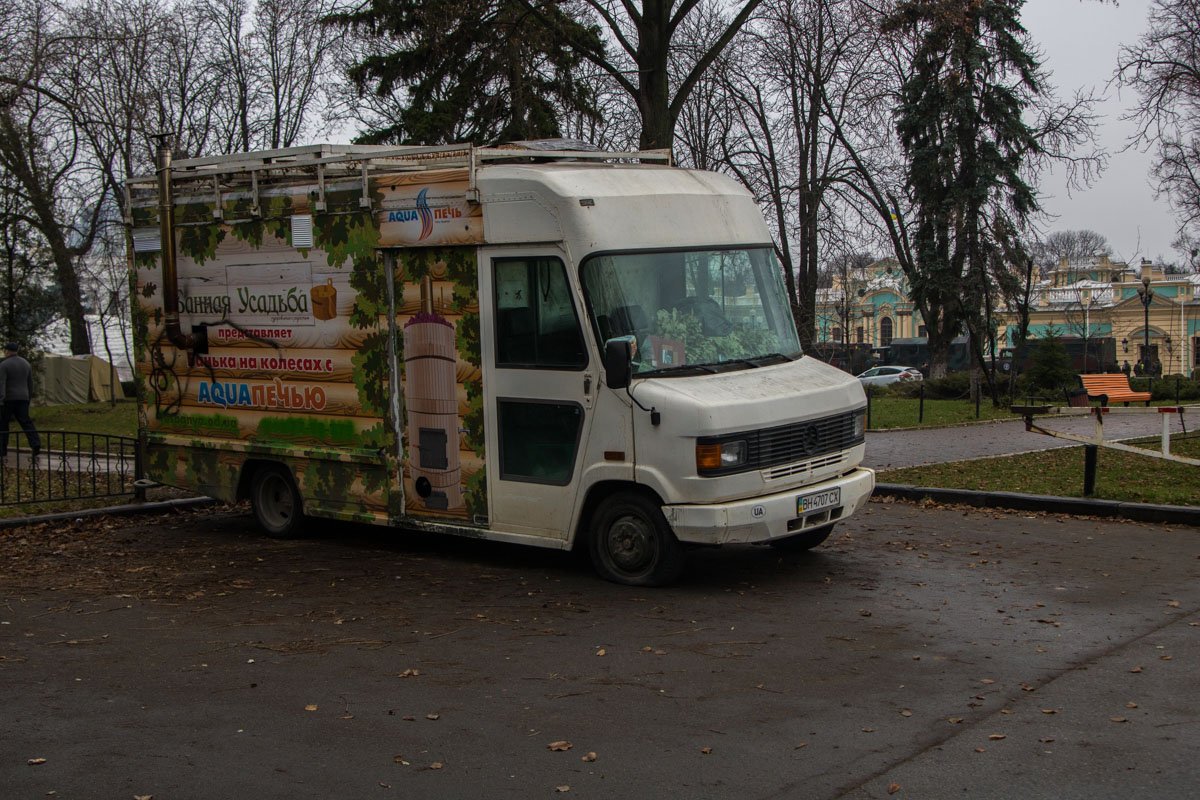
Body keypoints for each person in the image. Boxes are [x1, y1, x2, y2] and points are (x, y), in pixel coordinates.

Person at [0, 342, 40, 460]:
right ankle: (35, 444)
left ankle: (2, 450)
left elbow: (1, 384)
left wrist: (0, 400)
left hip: (8, 399)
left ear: (7, 351)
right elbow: (30, 383)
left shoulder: (4, 365)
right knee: (26, 422)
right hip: (23, 397)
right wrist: (28, 397)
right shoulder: (26, 363)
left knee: (3, 424)